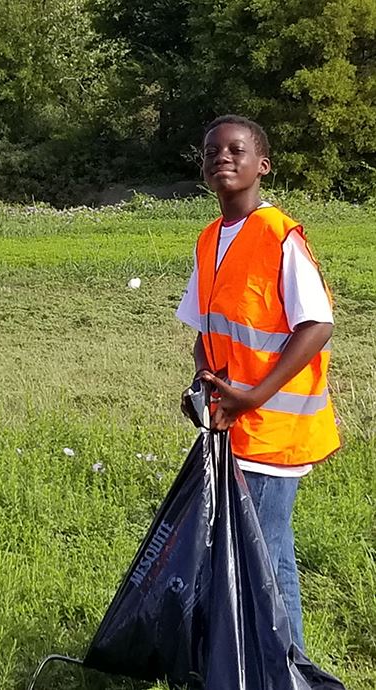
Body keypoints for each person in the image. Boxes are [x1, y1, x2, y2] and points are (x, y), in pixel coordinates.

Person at [176, 115, 340, 651]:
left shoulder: (279, 236)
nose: (221, 157)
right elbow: (206, 328)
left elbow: (316, 324)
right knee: (250, 550)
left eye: (235, 149)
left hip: (273, 426)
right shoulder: (209, 239)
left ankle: (287, 666)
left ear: (262, 165)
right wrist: (206, 386)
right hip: (232, 423)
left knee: (266, 551)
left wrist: (254, 395)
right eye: (210, 151)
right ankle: (257, 659)